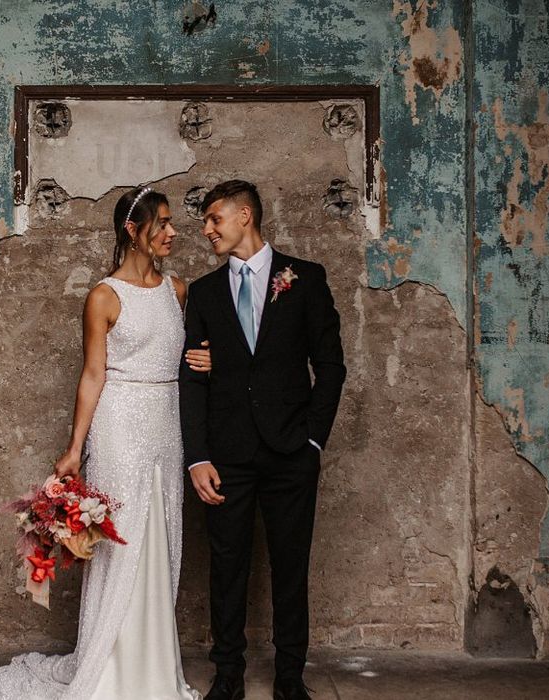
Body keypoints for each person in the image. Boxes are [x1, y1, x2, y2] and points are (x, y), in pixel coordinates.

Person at [0, 186, 211, 700]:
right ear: (133, 229)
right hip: (120, 424)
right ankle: (110, 669)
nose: (172, 233)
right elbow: (93, 374)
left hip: (168, 424)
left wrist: (207, 361)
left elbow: (188, 362)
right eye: (162, 223)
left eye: (172, 223)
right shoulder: (104, 295)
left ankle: (153, 667)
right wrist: (76, 448)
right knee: (123, 541)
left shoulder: (178, 291)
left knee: (162, 537)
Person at [179, 180, 346, 700]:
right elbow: (193, 376)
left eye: (214, 220)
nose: (206, 231)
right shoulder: (205, 293)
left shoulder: (307, 279)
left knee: (290, 567)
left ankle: (290, 677)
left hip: (291, 453)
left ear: (244, 215)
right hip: (227, 455)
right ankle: (227, 674)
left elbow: (331, 367)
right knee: (226, 568)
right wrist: (198, 456)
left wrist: (314, 442)